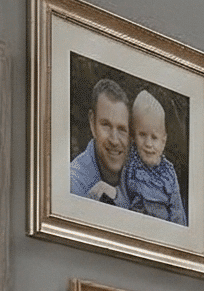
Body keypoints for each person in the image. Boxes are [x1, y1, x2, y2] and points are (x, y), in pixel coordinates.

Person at [115, 89, 186, 222]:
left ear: (163, 141)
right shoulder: (131, 163)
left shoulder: (169, 172)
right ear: (133, 137)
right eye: (142, 135)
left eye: (154, 137)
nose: (148, 143)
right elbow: (123, 198)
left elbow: (177, 210)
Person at [68, 77, 132, 204]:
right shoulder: (72, 185)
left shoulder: (144, 176)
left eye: (122, 129)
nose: (114, 140)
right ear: (92, 123)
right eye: (106, 125)